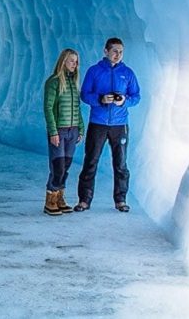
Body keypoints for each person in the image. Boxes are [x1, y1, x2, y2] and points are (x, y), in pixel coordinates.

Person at [74, 37, 141, 213]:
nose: (118, 55)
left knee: (121, 164)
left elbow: (136, 97)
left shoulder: (128, 73)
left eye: (121, 51)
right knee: (90, 161)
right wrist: (100, 99)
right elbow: (85, 94)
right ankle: (84, 200)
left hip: (120, 124)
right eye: (114, 51)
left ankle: (120, 200)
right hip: (98, 123)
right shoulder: (95, 71)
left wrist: (124, 101)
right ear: (106, 51)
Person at [42, 49, 85, 216]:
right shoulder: (53, 82)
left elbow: (77, 108)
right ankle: (50, 199)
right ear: (63, 62)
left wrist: (80, 128)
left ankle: (60, 198)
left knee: (65, 166)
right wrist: (53, 131)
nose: (74, 64)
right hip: (59, 131)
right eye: (71, 61)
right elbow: (48, 108)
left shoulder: (74, 83)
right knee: (57, 166)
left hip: (72, 131)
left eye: (76, 61)